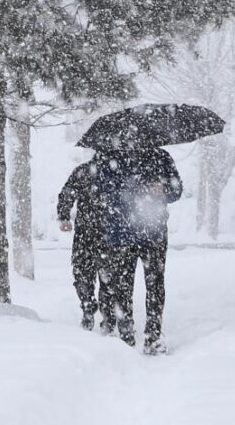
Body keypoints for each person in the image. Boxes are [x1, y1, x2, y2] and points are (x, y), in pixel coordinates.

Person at [96, 147, 182, 355]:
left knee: (155, 284)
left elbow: (176, 190)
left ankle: (153, 336)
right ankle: (126, 335)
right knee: (123, 286)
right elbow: (100, 190)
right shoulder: (111, 158)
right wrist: (129, 191)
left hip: (154, 233)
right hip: (122, 233)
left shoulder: (161, 157)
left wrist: (164, 190)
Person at [56, 152, 112, 332]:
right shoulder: (114, 171)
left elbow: (67, 193)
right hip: (107, 233)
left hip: (87, 232)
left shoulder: (84, 171)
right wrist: (64, 216)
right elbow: (68, 193)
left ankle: (90, 307)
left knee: (84, 273)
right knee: (107, 276)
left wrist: (65, 216)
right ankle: (104, 313)